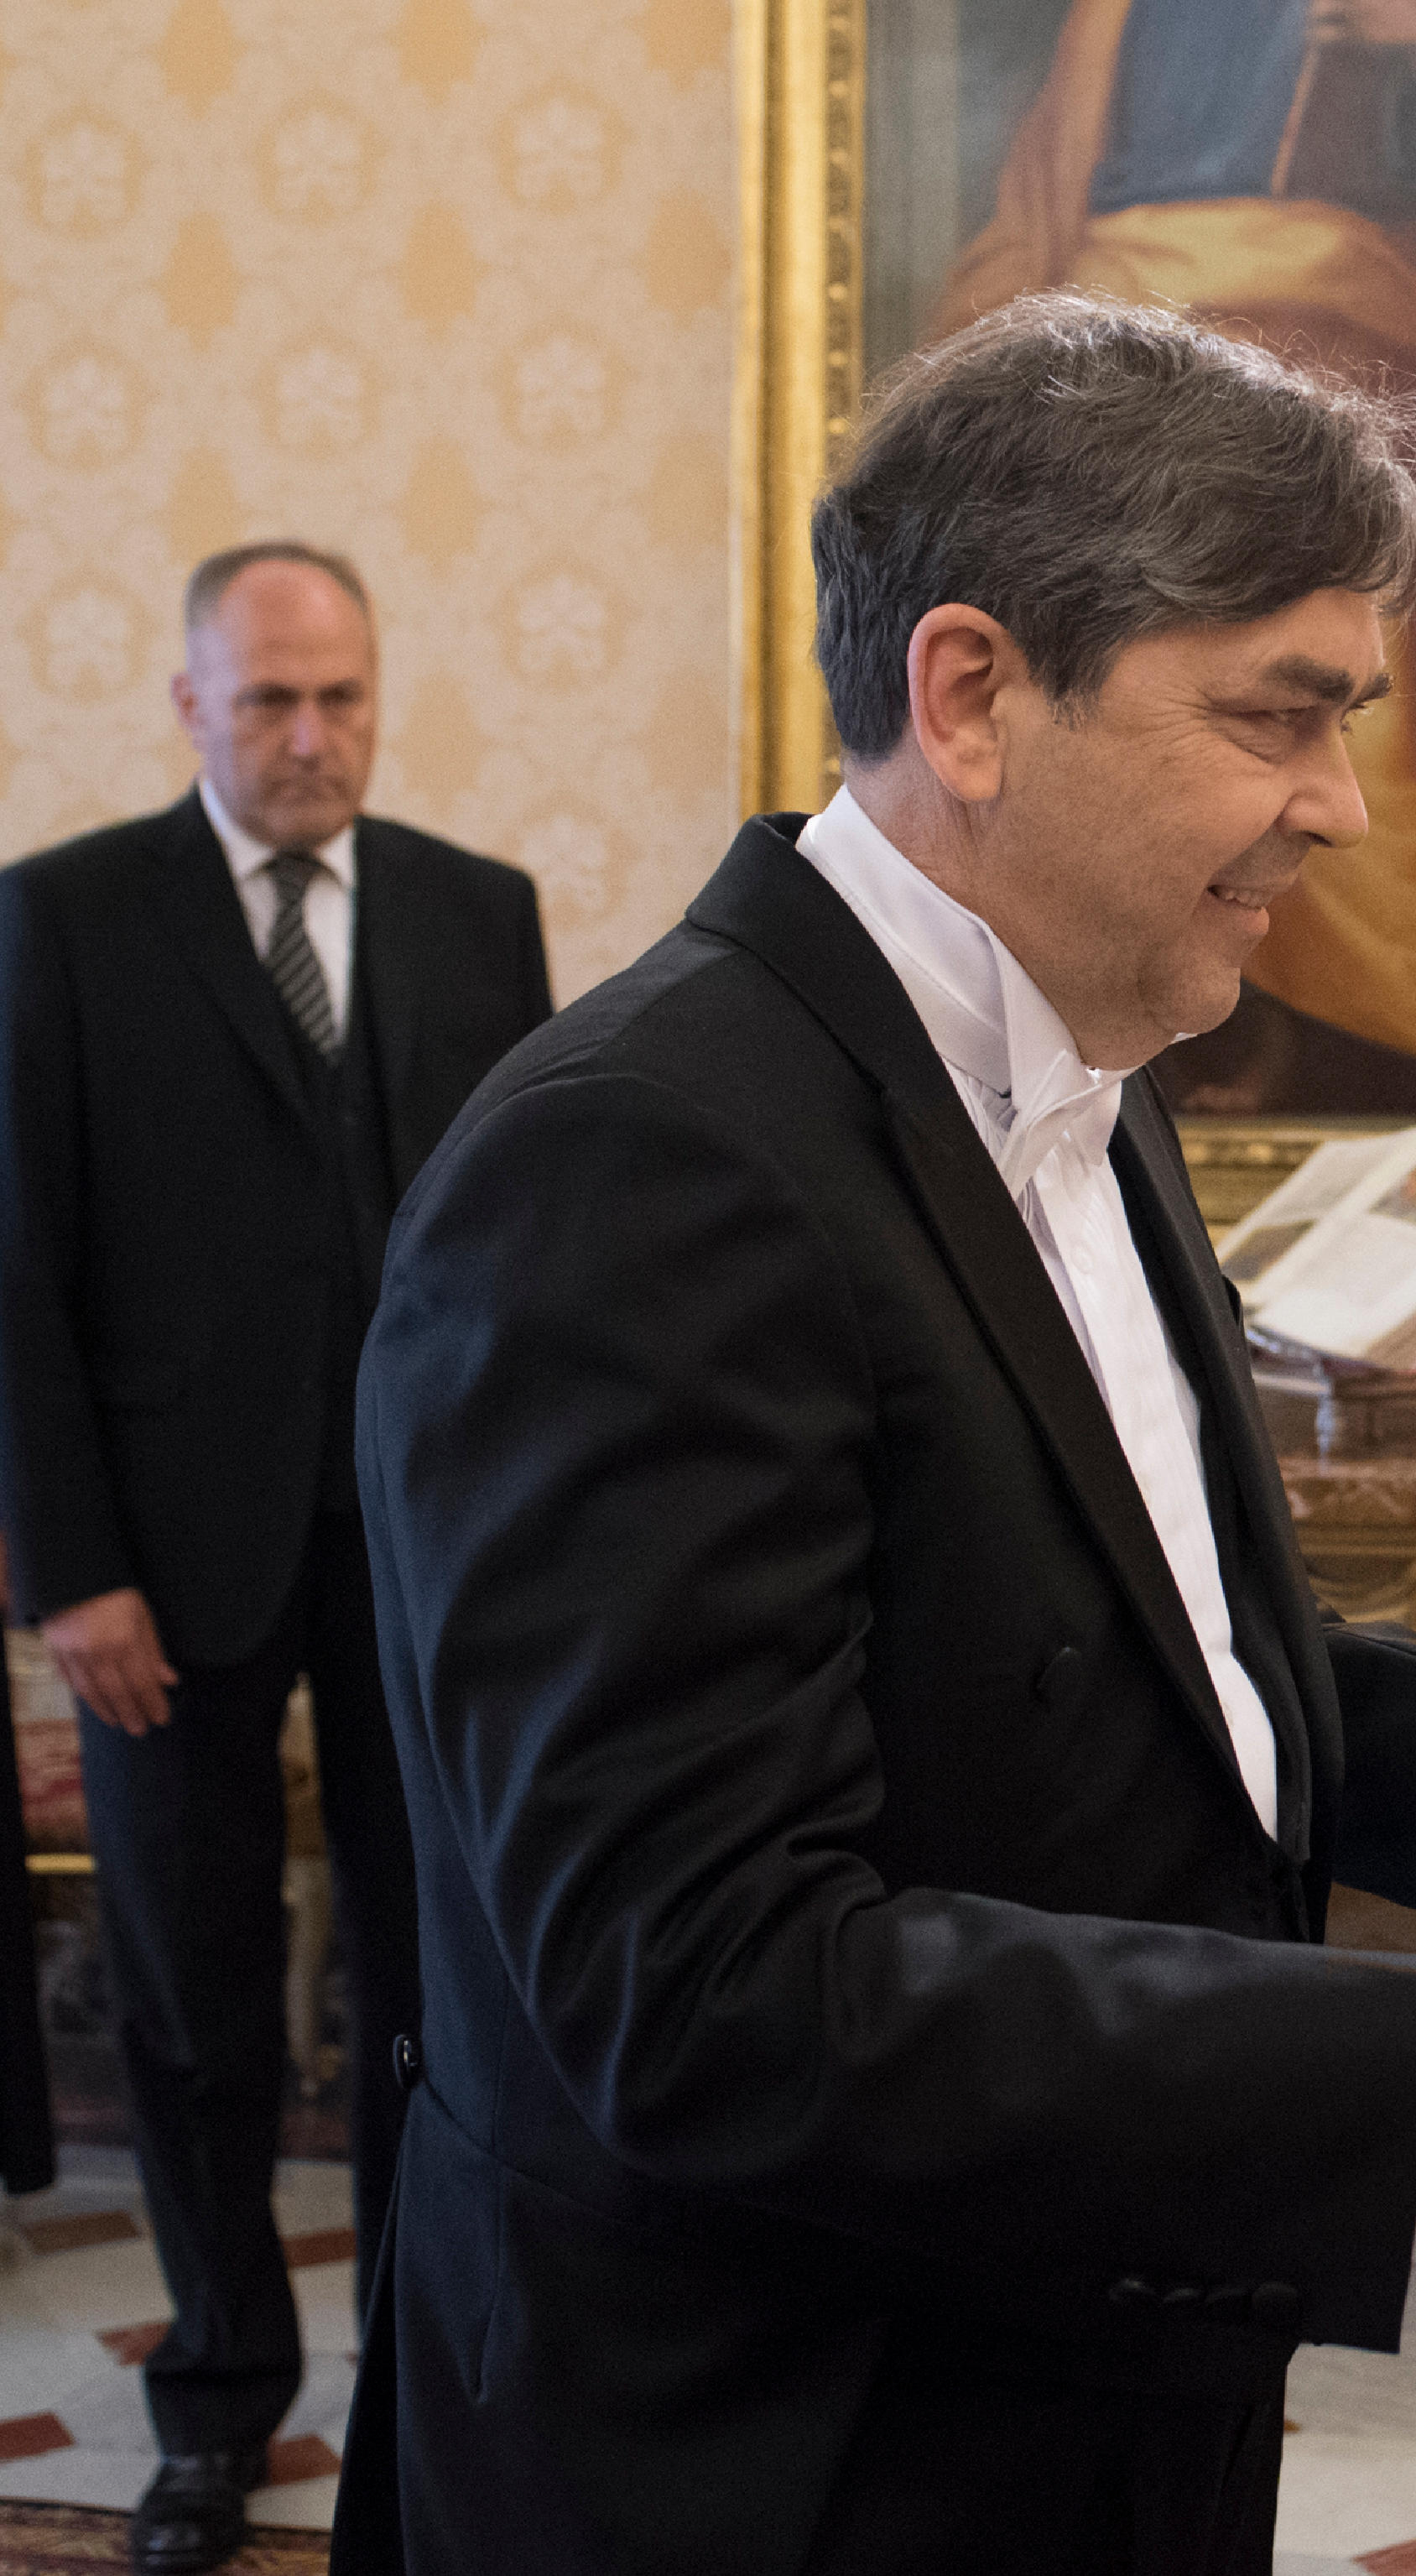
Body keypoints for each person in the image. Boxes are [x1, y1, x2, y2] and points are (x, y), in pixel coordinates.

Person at [330, 291, 1416, 2576]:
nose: (1341, 806)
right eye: (1276, 714)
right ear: (972, 692)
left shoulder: (1097, 1064)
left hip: (1090, 2388)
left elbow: (1137, 1669)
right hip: (773, 2460)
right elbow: (702, 1986)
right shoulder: (636, 1159)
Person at [0, 544, 552, 2576]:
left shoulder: (479, 909)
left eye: (341, 697)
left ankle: (424, 2381)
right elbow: (16, 1265)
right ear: (192, 706)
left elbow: (523, 1244)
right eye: (268, 702)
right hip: (160, 1575)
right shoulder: (61, 916)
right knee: (195, 2002)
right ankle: (216, 2399)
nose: (312, 737)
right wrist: (71, 1572)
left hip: (427, 1561)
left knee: (442, 1993)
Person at [935, 0, 1416, 1115]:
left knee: (1355, 707)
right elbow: (1079, 133)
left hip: (1342, 293)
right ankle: (1191, 1029)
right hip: (1142, 287)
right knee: (1141, 695)